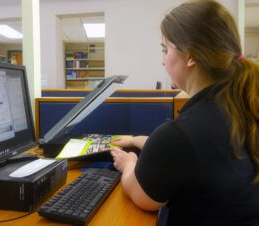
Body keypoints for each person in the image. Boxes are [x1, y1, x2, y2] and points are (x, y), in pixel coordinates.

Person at [109, 0, 259, 225]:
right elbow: (201, 155)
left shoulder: (181, 134)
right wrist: (139, 140)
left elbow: (143, 197)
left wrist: (129, 163)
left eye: (165, 49)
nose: (163, 60)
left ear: (190, 56)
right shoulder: (241, 106)